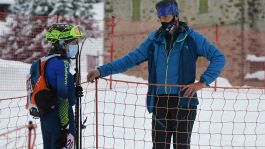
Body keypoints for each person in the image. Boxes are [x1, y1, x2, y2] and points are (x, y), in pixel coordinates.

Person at [87, 0, 226, 148]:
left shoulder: (191, 38)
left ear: (176, 16)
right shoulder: (154, 40)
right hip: (160, 102)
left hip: (184, 102)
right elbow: (130, 59)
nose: (163, 21)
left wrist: (202, 82)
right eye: (161, 17)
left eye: (167, 16)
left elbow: (218, 58)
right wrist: (101, 71)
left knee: (182, 146)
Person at [40, 23, 83, 149]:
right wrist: (66, 126)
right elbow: (63, 97)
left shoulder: (48, 60)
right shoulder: (62, 63)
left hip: (46, 116)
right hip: (60, 118)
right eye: (73, 42)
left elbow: (54, 86)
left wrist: (73, 85)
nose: (76, 45)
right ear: (62, 43)